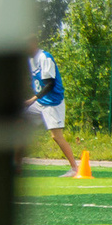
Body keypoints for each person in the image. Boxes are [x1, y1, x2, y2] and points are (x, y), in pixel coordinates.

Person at [25, 42, 76, 171]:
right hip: (40, 102)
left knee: (56, 136)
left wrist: (32, 99)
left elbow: (50, 84)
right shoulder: (30, 59)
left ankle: (75, 168)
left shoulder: (45, 58)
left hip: (52, 102)